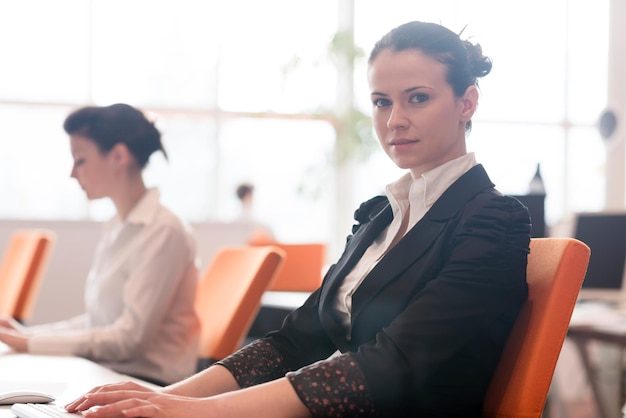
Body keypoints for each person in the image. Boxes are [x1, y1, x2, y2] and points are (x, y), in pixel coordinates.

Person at [64, 21, 531, 417]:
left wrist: (199, 412)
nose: (393, 121)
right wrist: (163, 397)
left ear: (466, 103)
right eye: (381, 101)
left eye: (417, 98)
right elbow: (294, 341)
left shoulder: (493, 219)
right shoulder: (379, 215)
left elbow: (392, 363)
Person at [0, 103, 201, 386]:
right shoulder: (118, 228)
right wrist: (29, 336)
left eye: (80, 160)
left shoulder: (163, 230)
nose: (72, 173)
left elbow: (128, 340)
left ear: (118, 156)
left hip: (145, 383)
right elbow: (99, 323)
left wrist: (31, 342)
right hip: (111, 372)